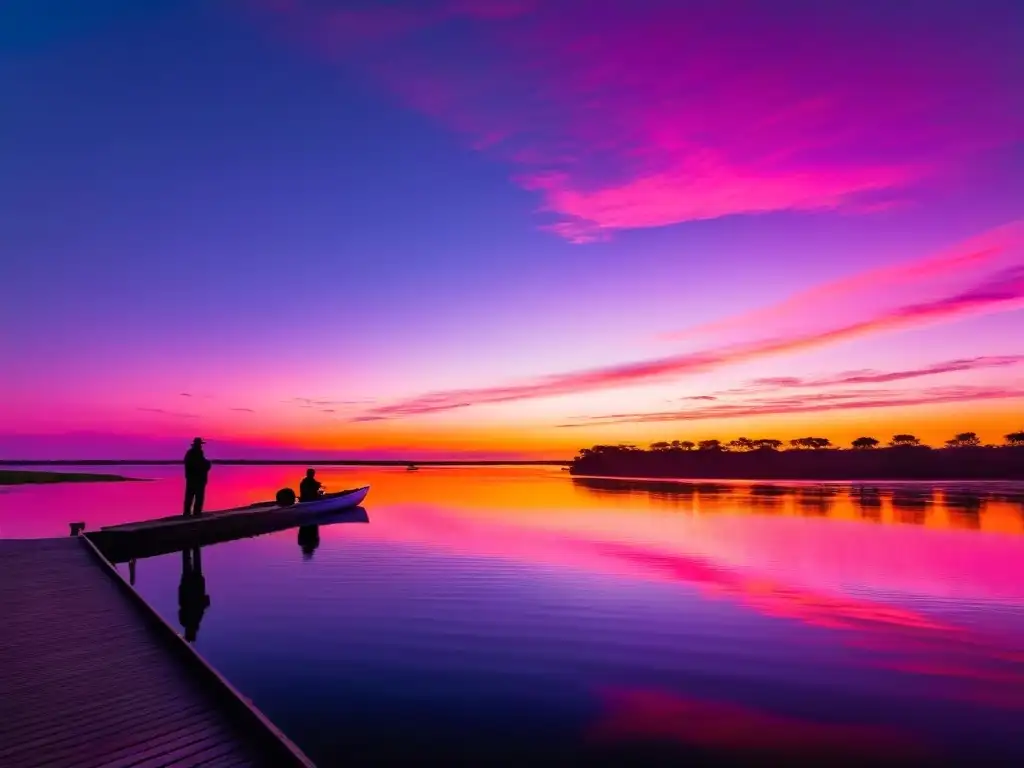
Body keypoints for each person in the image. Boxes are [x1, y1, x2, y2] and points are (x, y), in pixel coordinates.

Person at [183, 437, 211, 517]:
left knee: (194, 497)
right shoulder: (192, 453)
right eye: (200, 444)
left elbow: (201, 464)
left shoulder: (197, 453)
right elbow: (196, 465)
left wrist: (206, 464)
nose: (201, 446)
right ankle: (191, 513)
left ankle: (193, 513)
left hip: (195, 479)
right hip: (195, 479)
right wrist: (207, 465)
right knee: (193, 497)